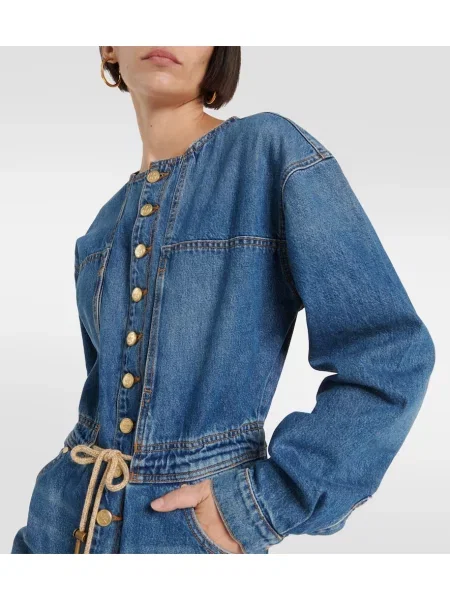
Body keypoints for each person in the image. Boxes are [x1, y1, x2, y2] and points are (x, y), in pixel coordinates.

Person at [12, 46, 435, 554]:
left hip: (185, 535)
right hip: (58, 526)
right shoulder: (100, 230)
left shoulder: (267, 152)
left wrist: (261, 505)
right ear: (109, 47)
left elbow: (389, 352)